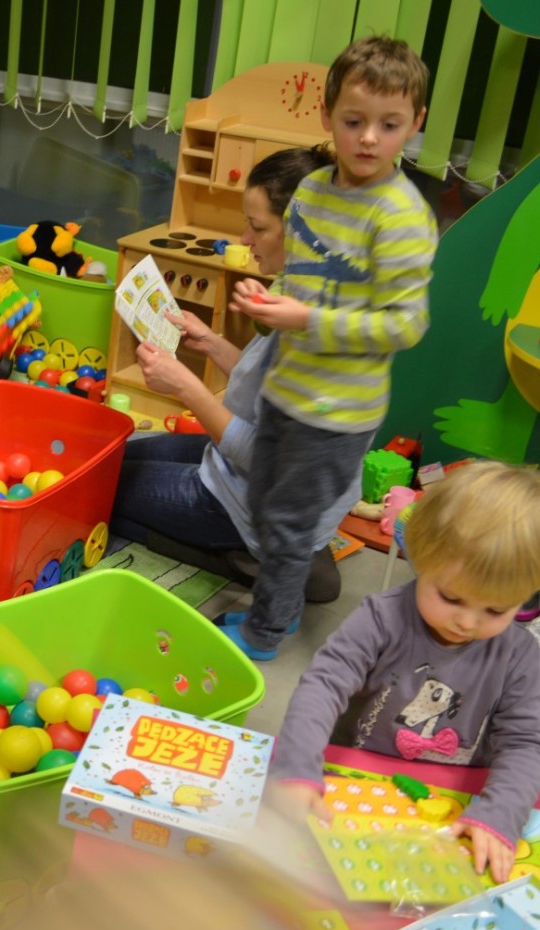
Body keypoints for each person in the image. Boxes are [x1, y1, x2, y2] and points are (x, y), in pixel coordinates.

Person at [228, 36, 438, 660]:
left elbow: (405, 325)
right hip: (285, 390)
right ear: (326, 117)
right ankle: (285, 597)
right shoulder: (314, 191)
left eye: (389, 125)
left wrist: (307, 319)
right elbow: (302, 279)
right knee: (263, 505)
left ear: (415, 124)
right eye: (353, 121)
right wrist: (270, 298)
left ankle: (266, 632)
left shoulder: (400, 217)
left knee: (289, 523)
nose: (368, 138)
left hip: (338, 412)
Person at [266, 462, 540, 883]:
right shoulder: (381, 618)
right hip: (355, 774)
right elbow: (324, 685)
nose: (467, 622)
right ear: (421, 558)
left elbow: (527, 742)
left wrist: (499, 814)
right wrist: (298, 767)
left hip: (448, 798)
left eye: (497, 609)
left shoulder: (520, 654)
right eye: (451, 597)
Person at [110, 145, 350, 603]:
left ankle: (242, 557)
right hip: (244, 471)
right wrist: (212, 343)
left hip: (254, 499)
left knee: (99, 494)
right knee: (113, 457)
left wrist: (186, 386)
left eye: (257, 228)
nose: (244, 239)